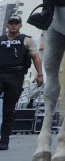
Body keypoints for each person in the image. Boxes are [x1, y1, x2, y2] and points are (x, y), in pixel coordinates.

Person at [0, 15, 44, 150]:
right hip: (1, 73)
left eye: (16, 23)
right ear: (7, 25)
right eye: (11, 23)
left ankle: (4, 140)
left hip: (15, 76)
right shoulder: (1, 39)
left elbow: (36, 57)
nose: (13, 25)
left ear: (20, 25)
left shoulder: (26, 40)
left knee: (8, 110)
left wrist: (40, 75)